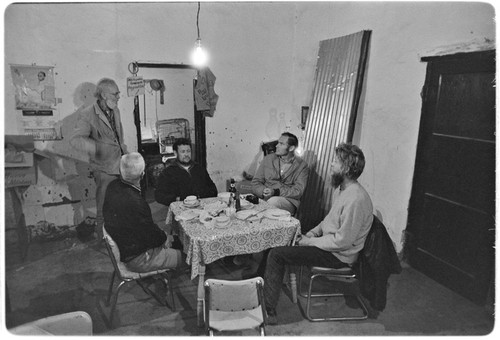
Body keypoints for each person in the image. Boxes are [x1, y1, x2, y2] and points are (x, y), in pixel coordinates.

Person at [262, 143, 373, 325]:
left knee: (276, 254)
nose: (331, 164)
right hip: (329, 245)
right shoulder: (343, 190)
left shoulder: (356, 199)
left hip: (338, 256)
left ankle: (268, 309)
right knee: (279, 241)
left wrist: (308, 242)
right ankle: (262, 290)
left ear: (346, 168)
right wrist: (312, 233)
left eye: (335, 161)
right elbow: (328, 221)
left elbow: (342, 242)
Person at [103, 152, 183, 272]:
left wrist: (165, 237)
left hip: (126, 246)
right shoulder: (136, 202)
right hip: (138, 258)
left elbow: (146, 229)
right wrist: (165, 238)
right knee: (190, 257)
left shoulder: (112, 186)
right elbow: (151, 236)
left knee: (176, 240)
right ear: (143, 174)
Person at [70, 78, 127, 240]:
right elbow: (75, 140)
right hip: (102, 168)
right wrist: (97, 149)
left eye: (118, 93)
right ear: (103, 94)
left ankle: (119, 235)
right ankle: (102, 236)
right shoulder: (87, 114)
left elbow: (117, 137)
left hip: (119, 164)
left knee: (121, 203)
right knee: (103, 206)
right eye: (115, 94)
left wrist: (125, 153)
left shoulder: (115, 110)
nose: (118, 97)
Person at [252, 132, 309, 216]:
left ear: (291, 148)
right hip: (266, 197)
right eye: (278, 143)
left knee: (273, 201)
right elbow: (256, 183)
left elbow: (298, 191)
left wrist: (276, 192)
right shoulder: (268, 159)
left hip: (288, 200)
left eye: (281, 144)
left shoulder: (302, 166)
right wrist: (263, 191)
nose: (276, 146)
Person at [155, 138, 218, 206]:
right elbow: (159, 196)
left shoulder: (199, 168)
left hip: (203, 208)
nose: (186, 154)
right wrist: (178, 199)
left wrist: (203, 196)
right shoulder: (168, 173)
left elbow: (213, 189)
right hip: (181, 210)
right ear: (176, 153)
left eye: (188, 151)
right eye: (183, 152)